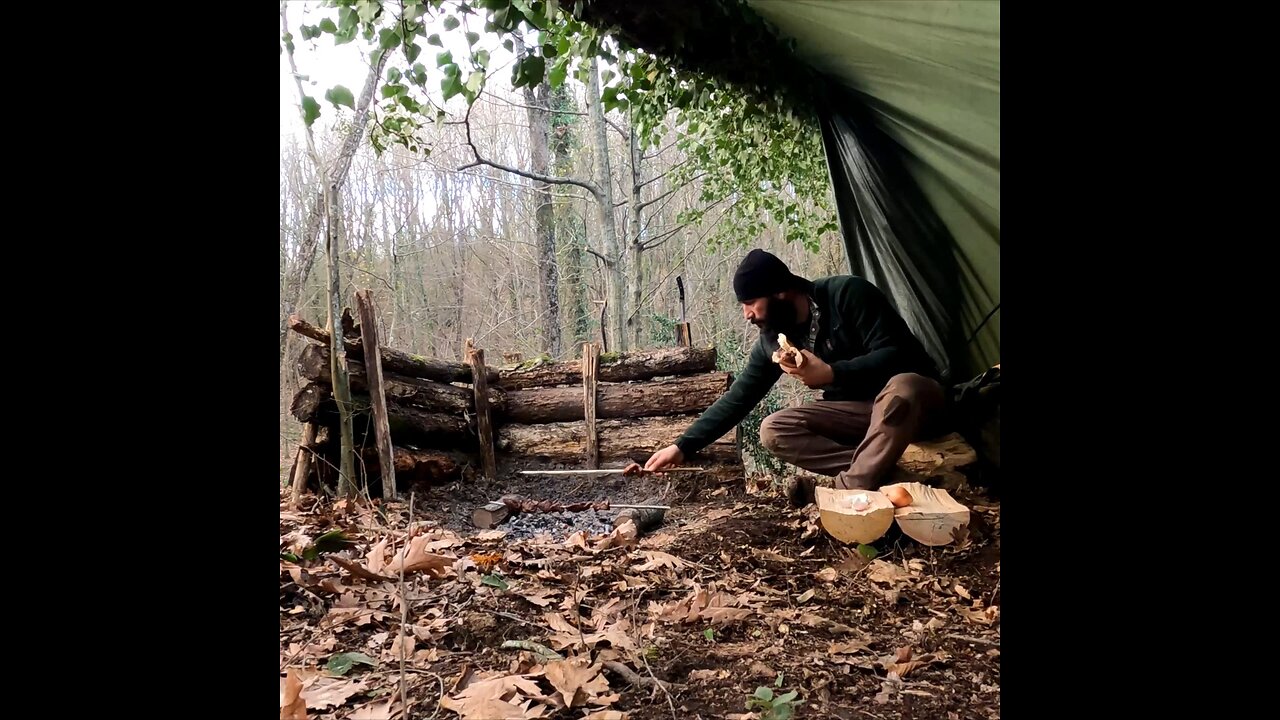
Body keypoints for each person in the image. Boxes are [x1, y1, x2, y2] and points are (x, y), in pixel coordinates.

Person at [625, 249, 947, 506]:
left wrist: (833, 372)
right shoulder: (772, 338)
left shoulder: (847, 294)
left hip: (917, 403)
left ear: (780, 291)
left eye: (751, 302)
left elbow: (898, 353)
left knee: (902, 389)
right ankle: (885, 473)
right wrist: (682, 446)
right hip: (860, 415)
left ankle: (848, 490)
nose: (746, 314)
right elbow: (739, 397)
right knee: (774, 429)